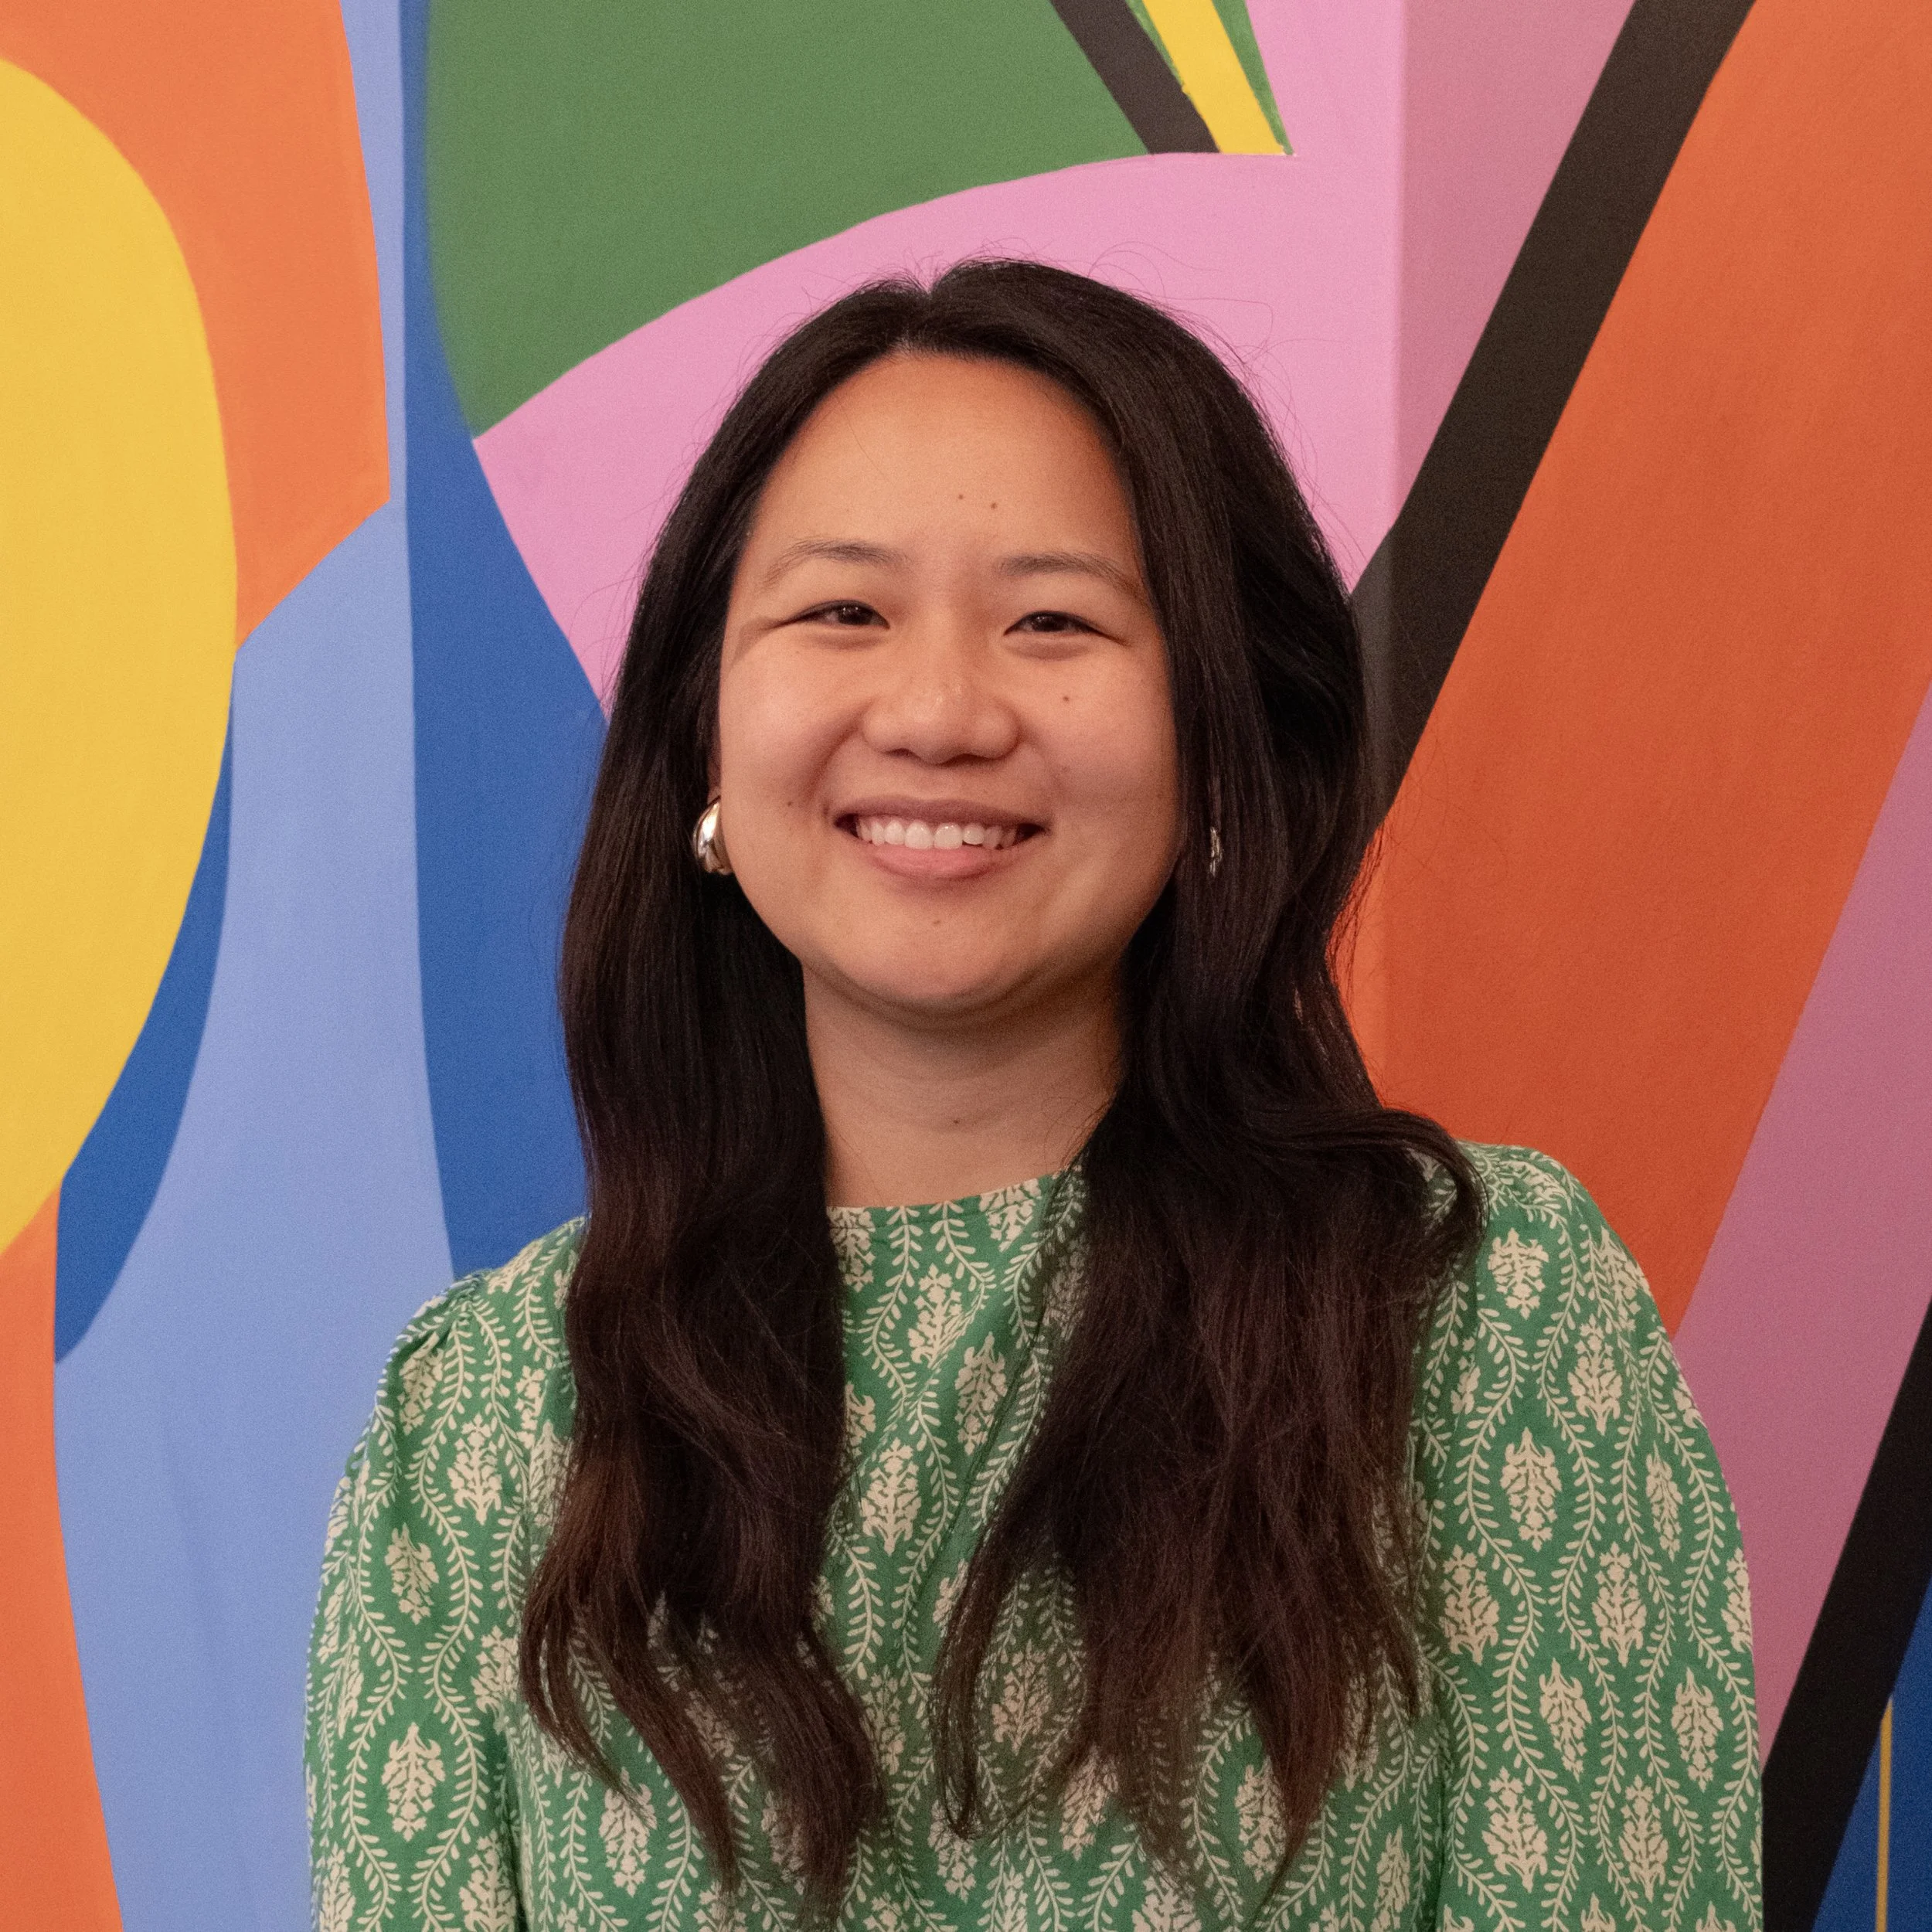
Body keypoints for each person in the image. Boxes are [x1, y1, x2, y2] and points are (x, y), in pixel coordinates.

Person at [305, 260, 1761, 1931]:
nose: (935, 711)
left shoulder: (1474, 1315)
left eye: (1052, 620)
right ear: (705, 740)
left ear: (1217, 737)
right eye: (840, 611)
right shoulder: (482, 1421)